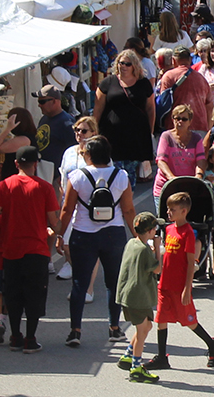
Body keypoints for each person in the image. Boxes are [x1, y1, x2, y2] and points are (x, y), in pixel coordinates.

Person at [58, 137, 135, 346]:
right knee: (113, 283)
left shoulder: (77, 177)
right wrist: (137, 235)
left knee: (79, 283)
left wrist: (59, 234)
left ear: (89, 155)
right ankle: (115, 328)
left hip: (83, 234)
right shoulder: (121, 176)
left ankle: (75, 330)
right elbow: (128, 209)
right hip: (113, 234)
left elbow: (67, 210)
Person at [0, 146, 60, 353]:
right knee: (35, 295)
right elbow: (54, 223)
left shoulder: (4, 186)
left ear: (16, 164)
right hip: (37, 250)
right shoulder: (44, 188)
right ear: (36, 164)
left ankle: (15, 336)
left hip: (11, 249)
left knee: (14, 294)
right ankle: (30, 338)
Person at [149, 192, 214, 370]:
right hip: (165, 283)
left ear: (184, 211)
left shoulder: (188, 234)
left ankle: (213, 344)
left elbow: (191, 263)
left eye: (172, 209)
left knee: (188, 320)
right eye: (168, 209)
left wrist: (186, 288)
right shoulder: (169, 229)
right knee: (161, 318)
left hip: (179, 285)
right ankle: (162, 357)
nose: (168, 212)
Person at [117, 212, 164, 383]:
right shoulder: (145, 250)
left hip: (127, 295)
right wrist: (157, 249)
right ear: (150, 231)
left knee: (147, 326)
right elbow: (157, 269)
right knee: (142, 330)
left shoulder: (132, 243)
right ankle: (136, 368)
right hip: (138, 297)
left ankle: (128, 355)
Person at [94, 51, 156, 181]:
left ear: (134, 66)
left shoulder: (143, 83)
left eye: (127, 64)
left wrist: (150, 131)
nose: (124, 66)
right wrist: (94, 131)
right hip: (112, 134)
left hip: (136, 135)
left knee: (130, 172)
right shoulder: (107, 83)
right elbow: (98, 109)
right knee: (113, 171)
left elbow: (150, 108)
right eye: (121, 63)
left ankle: (128, 197)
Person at [154, 104, 208, 197]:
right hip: (166, 186)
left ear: (190, 121)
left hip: (188, 187)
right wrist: (171, 178)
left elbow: (201, 160)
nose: (180, 122)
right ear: (172, 119)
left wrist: (198, 176)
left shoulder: (196, 138)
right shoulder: (166, 136)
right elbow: (161, 161)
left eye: (184, 119)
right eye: (177, 118)